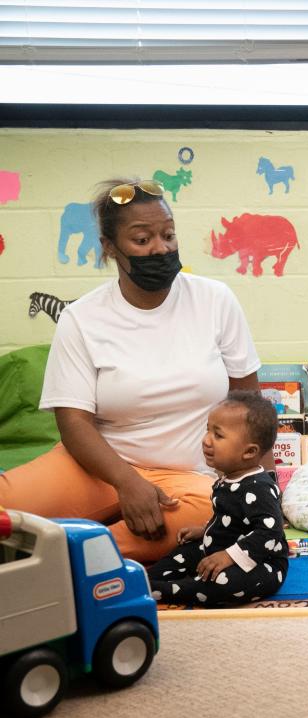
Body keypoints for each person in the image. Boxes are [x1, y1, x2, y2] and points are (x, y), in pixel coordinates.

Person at [0, 178, 265, 562]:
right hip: (97, 468)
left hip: (191, 480)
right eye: (142, 240)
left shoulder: (215, 300)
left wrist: (263, 488)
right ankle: (77, 548)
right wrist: (127, 482)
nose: (161, 248)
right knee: (8, 505)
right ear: (110, 248)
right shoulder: (82, 318)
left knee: (220, 516)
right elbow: (73, 422)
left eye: (169, 235)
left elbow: (249, 403)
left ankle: (74, 557)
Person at [147, 391, 289, 607]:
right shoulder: (226, 479)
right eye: (208, 431)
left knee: (225, 584)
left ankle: (172, 590)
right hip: (220, 547)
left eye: (218, 435)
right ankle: (147, 579)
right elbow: (229, 518)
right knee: (182, 553)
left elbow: (269, 532)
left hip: (261, 562)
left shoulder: (259, 487)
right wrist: (205, 530)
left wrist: (229, 556)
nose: (206, 440)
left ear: (249, 452)